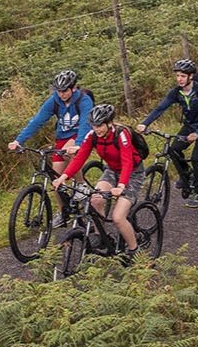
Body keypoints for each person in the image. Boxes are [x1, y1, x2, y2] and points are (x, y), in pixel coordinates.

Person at [52, 104, 142, 256]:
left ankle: (135, 250)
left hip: (133, 173)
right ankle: (103, 237)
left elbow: (127, 162)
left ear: (109, 123)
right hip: (111, 171)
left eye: (100, 125)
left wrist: (121, 186)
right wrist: (63, 177)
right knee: (95, 200)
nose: (97, 129)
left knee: (118, 218)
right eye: (94, 126)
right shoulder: (92, 135)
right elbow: (80, 158)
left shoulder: (121, 134)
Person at [9, 69, 95, 226]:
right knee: (56, 178)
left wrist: (77, 144)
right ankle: (64, 212)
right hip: (62, 138)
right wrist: (18, 141)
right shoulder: (54, 101)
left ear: (73, 88)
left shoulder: (84, 100)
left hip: (80, 136)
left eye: (65, 91)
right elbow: (37, 120)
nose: (62, 94)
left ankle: (82, 186)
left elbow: (86, 123)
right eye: (59, 91)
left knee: (69, 152)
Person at [138, 59, 198, 208]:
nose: (179, 79)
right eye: (178, 76)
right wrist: (145, 123)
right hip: (190, 126)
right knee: (173, 149)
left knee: (196, 157)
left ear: (191, 76)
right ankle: (187, 174)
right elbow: (160, 109)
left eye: (183, 76)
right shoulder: (176, 92)